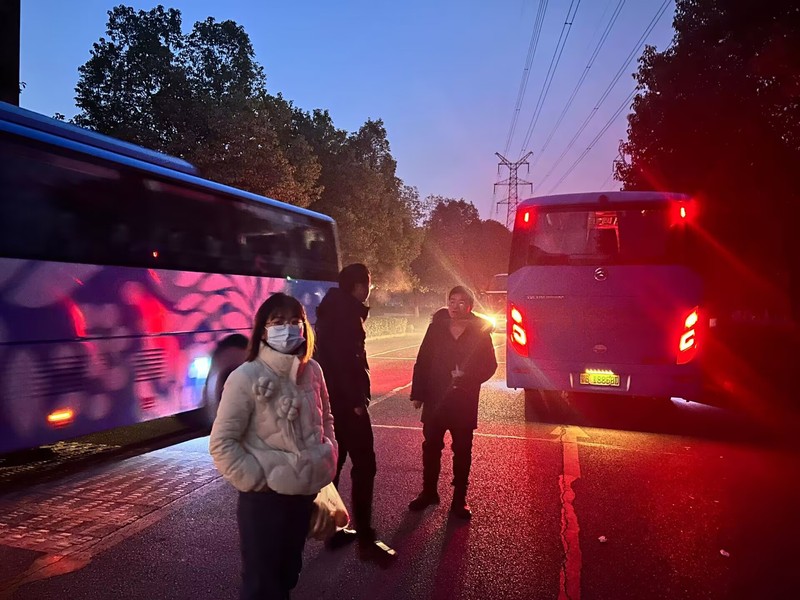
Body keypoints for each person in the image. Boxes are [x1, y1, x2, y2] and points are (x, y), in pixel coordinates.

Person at [209, 293, 338, 600]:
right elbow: (222, 442)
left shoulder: (313, 371)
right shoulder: (245, 376)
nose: (288, 328)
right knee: (262, 586)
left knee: (287, 575)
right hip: (264, 502)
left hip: (303, 496)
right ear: (263, 331)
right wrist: (259, 480)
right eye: (278, 322)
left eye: (295, 321)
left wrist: (328, 453)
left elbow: (326, 418)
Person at [314, 263, 396, 560]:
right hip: (348, 405)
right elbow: (347, 363)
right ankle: (365, 538)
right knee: (365, 466)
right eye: (368, 284)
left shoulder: (329, 310)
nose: (369, 290)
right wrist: (358, 402)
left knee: (335, 465)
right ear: (360, 286)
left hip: (331, 403)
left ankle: (333, 530)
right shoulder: (347, 315)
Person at [408, 286, 497, 519]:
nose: (455, 306)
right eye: (452, 301)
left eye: (461, 302)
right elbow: (423, 360)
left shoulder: (480, 331)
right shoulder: (436, 328)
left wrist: (467, 376)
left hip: (464, 400)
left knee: (462, 449)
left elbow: (490, 365)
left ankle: (459, 500)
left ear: (470, 306)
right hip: (436, 398)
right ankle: (429, 492)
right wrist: (418, 393)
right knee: (431, 447)